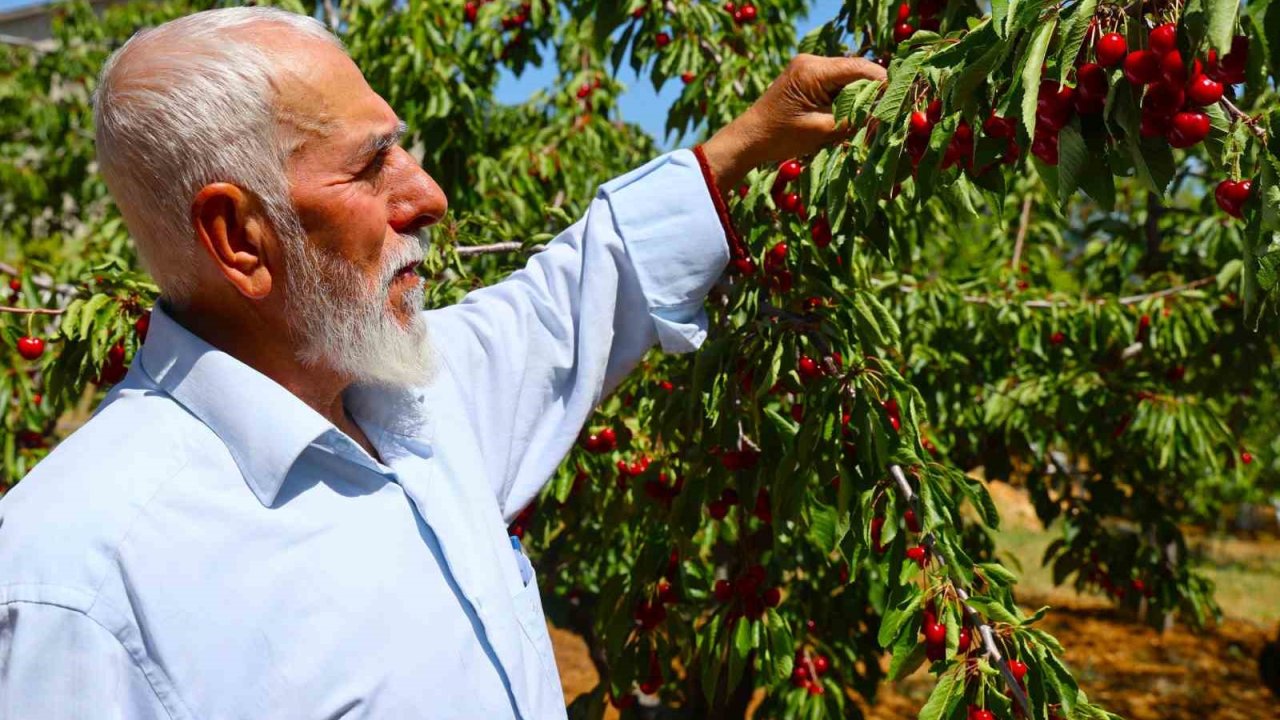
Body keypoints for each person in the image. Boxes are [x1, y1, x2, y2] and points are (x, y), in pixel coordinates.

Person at [0, 6, 884, 718]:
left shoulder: (415, 397)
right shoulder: (76, 589)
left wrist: (741, 147)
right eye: (370, 164)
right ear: (240, 237)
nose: (428, 194)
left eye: (404, 146)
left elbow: (572, 294)